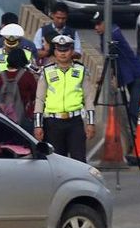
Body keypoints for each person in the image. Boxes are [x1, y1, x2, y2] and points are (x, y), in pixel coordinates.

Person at [34, 34, 96, 162]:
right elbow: (39, 100)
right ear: (55, 52)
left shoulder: (80, 70)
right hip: (53, 123)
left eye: (66, 50)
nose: (63, 54)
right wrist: (38, 125)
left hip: (75, 122)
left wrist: (91, 123)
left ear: (72, 51)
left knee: (79, 161)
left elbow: (88, 98)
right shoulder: (47, 71)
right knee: (57, 162)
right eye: (59, 50)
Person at [93, 10, 140, 128]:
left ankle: (139, 138)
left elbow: (109, 61)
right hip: (132, 76)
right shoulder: (106, 35)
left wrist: (106, 77)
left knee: (135, 110)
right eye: (95, 24)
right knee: (133, 110)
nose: (96, 28)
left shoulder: (112, 35)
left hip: (139, 75)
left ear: (107, 22)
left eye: (99, 24)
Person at [0, 48, 38, 131]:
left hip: (3, 117)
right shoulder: (27, 76)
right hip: (23, 117)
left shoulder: (1, 76)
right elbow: (34, 95)